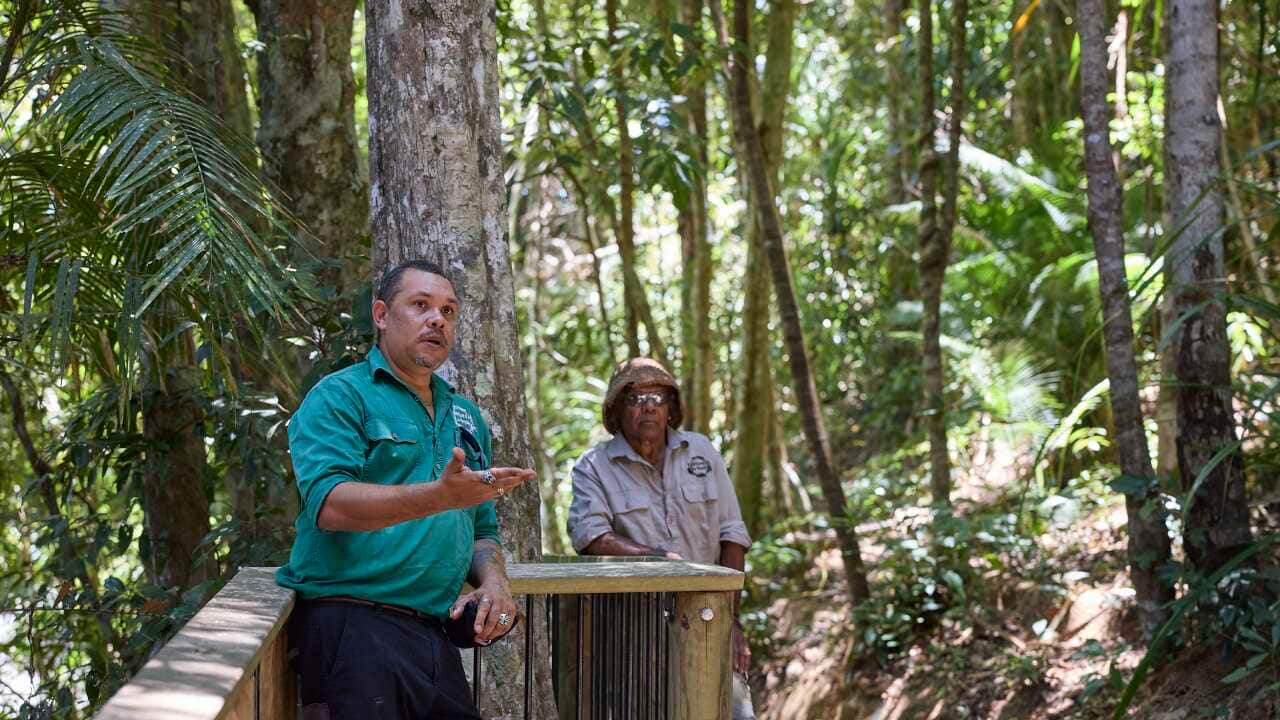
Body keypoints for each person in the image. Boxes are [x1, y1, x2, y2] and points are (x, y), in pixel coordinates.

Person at [277, 259, 534, 720]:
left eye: (449, 311)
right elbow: (329, 504)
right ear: (381, 315)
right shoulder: (341, 395)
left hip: (433, 633)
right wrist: (439, 496)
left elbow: (482, 527)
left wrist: (495, 584)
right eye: (421, 305)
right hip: (352, 625)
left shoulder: (466, 417)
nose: (438, 319)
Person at [567, 357, 756, 719]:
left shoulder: (701, 452)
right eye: (635, 398)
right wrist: (657, 558)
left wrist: (734, 623)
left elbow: (732, 534)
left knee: (733, 711)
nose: (648, 406)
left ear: (671, 408)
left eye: (657, 397)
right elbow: (591, 537)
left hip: (710, 615)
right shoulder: (594, 467)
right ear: (617, 411)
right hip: (635, 630)